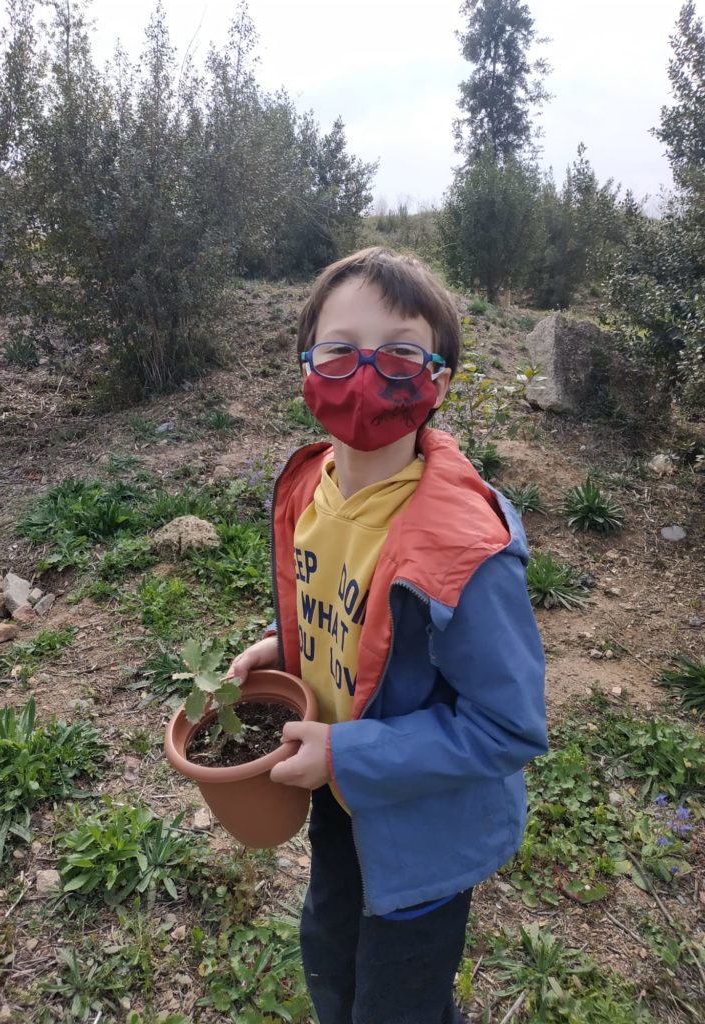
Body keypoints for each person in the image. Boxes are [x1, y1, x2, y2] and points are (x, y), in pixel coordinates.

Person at [226, 247, 548, 1024]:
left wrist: (348, 756)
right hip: (338, 799)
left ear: (439, 381)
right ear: (307, 369)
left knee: (400, 999)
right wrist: (282, 647)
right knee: (329, 953)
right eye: (340, 352)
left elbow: (509, 727)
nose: (367, 374)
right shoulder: (309, 490)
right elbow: (334, 600)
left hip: (423, 831)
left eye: (400, 355)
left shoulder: (466, 550)